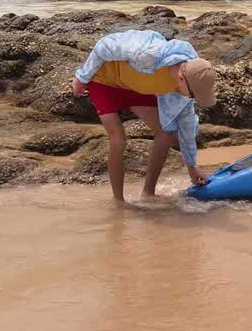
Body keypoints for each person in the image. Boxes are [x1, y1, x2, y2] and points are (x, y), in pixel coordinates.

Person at [71, 29, 218, 202]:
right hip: (104, 82)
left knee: (165, 133)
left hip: (136, 88)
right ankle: (118, 201)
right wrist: (82, 77)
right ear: (181, 76)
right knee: (118, 140)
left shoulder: (184, 88)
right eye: (193, 94)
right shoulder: (149, 54)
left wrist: (192, 168)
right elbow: (105, 46)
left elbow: (187, 125)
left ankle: (148, 193)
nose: (192, 98)